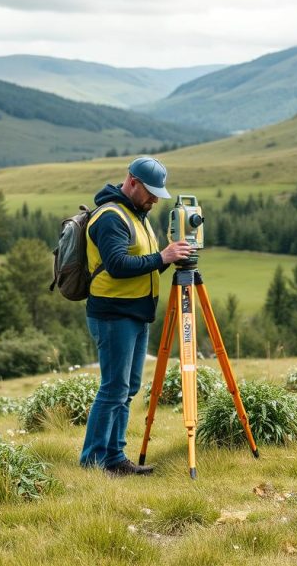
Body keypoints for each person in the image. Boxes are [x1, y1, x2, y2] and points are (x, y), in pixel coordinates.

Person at [80, 157, 195, 477]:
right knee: (113, 388)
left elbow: (143, 263)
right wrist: (163, 256)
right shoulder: (111, 217)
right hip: (113, 314)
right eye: (151, 191)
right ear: (131, 182)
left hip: (134, 313)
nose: (155, 198)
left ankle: (114, 457)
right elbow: (117, 266)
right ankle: (92, 461)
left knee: (127, 387)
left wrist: (168, 259)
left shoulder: (136, 214)